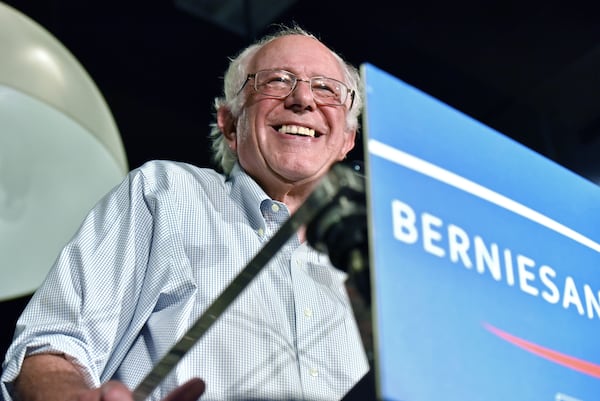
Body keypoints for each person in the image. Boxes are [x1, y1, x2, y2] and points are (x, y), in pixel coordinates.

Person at [1, 24, 371, 401]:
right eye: (276, 81)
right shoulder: (167, 194)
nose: (303, 99)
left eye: (326, 88)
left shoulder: (374, 266)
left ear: (347, 139)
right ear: (229, 124)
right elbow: (51, 346)